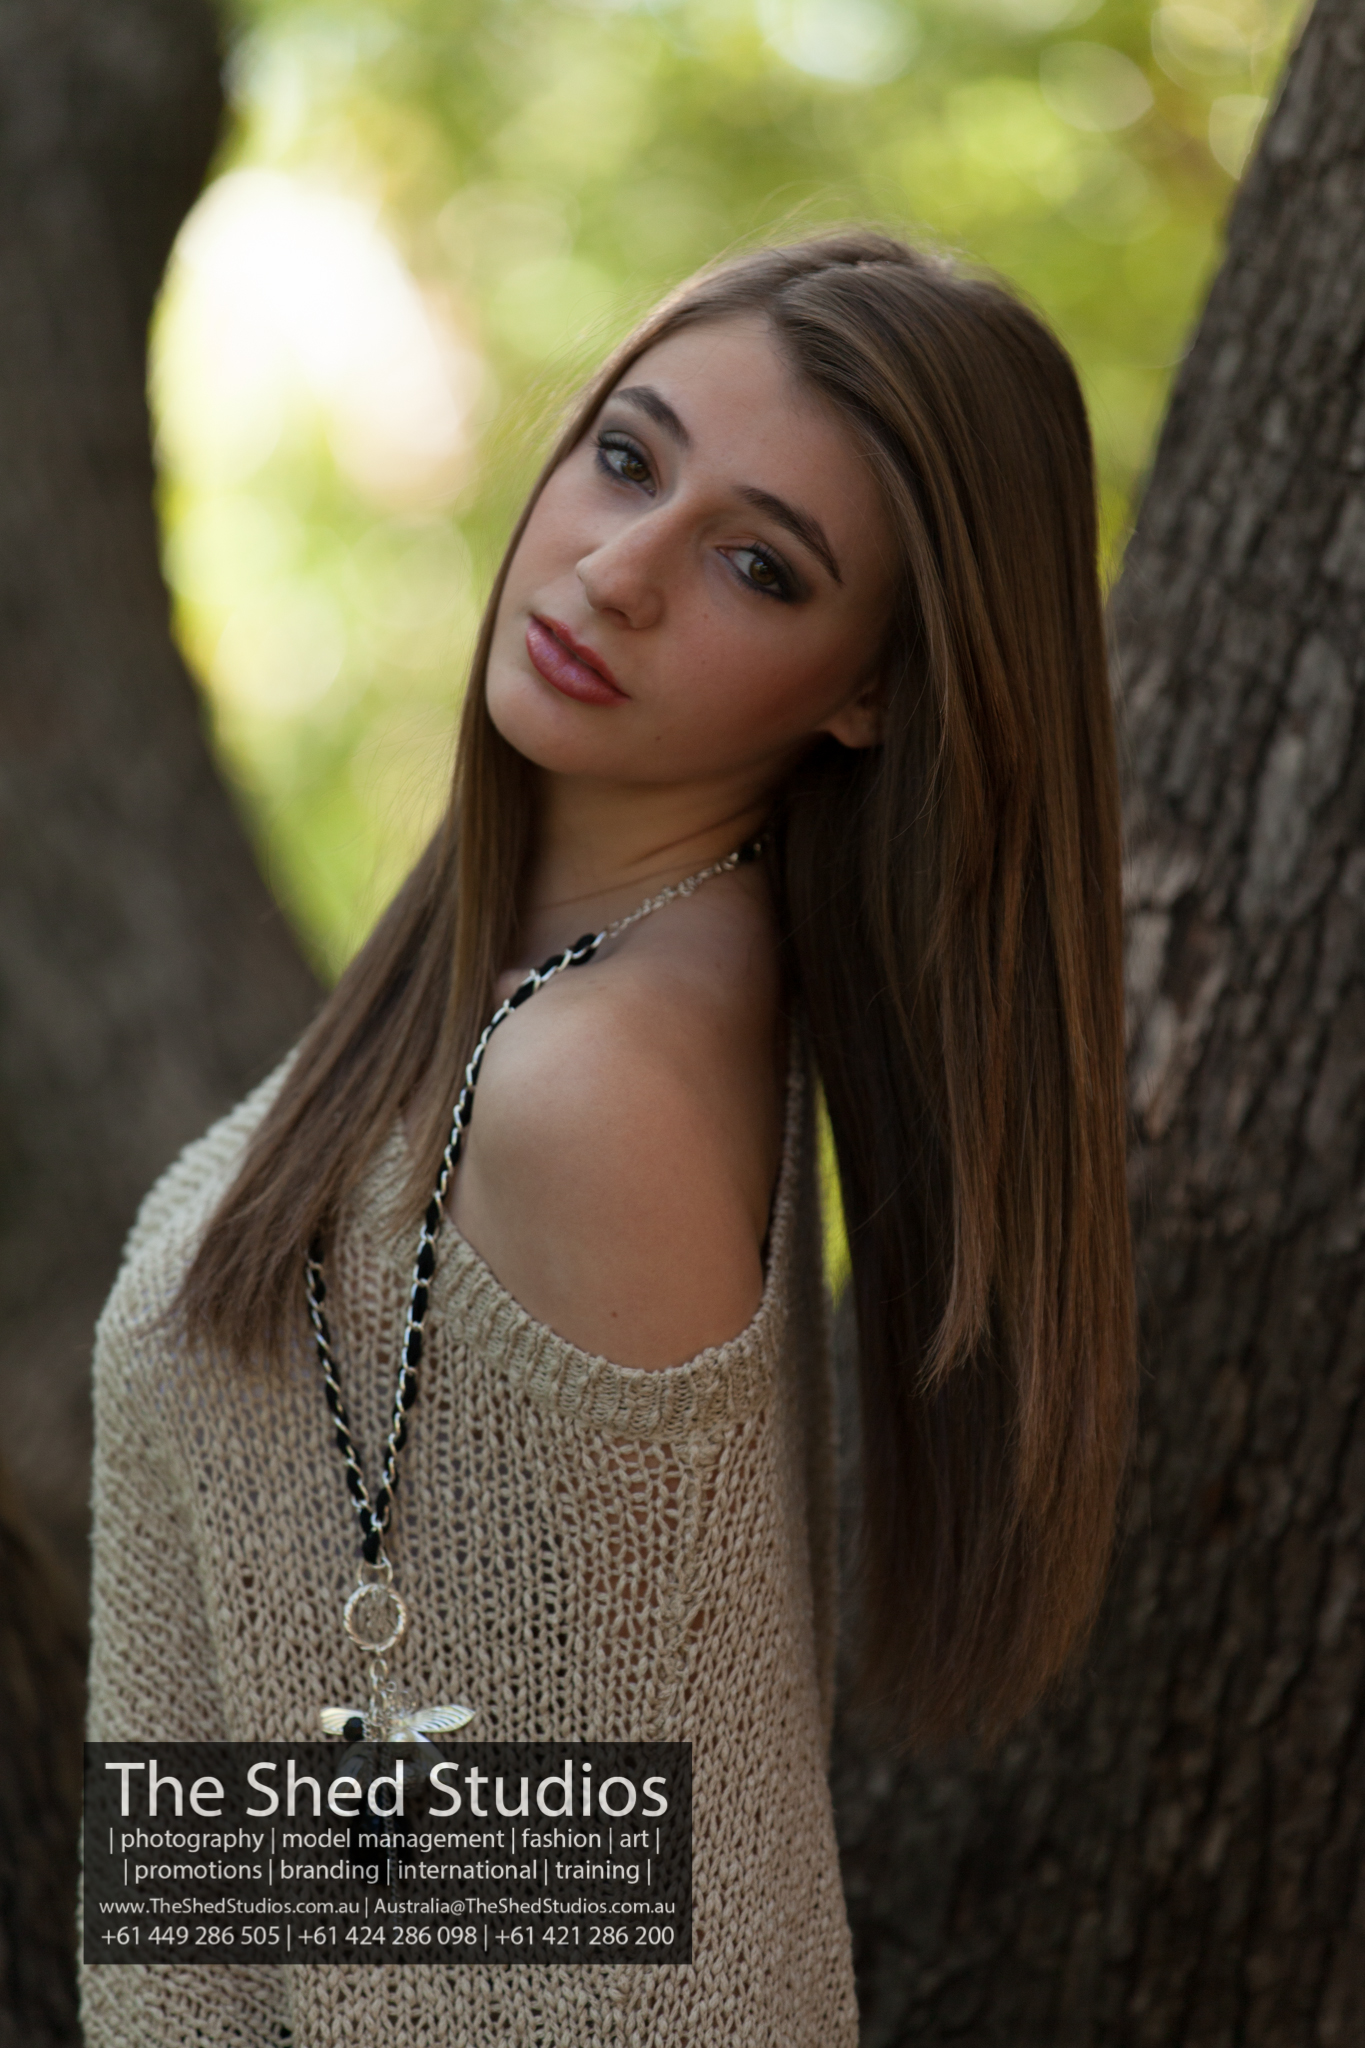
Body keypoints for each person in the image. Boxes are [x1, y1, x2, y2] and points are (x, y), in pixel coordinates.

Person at [82, 230, 1135, 2046]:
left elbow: (618, 1943)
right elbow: (508, 1845)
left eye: (758, 566)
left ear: (870, 690)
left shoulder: (590, 1084)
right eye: (629, 459)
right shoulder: (551, 983)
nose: (618, 572)